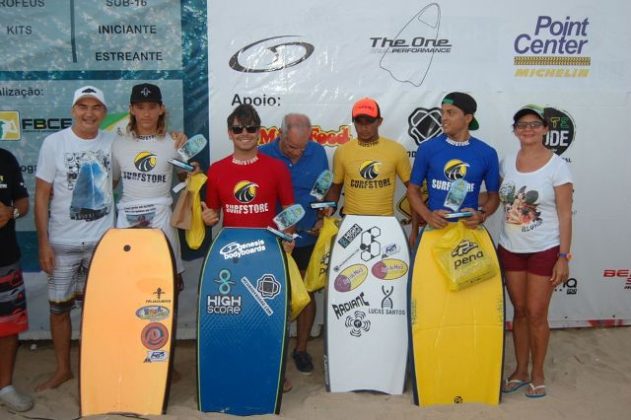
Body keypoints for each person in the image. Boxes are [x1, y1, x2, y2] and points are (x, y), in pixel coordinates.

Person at [201, 103, 295, 391]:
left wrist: (289, 236)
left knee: (271, 314)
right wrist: (207, 217)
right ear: (230, 133)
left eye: (251, 128)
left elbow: (290, 208)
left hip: (268, 252)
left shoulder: (276, 168)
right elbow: (212, 214)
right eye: (238, 128)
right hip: (232, 254)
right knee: (234, 314)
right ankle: (234, 369)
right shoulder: (216, 170)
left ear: (260, 133)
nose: (245, 134)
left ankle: (275, 372)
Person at [34, 86, 115, 391]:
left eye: (96, 107)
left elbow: (120, 176)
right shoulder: (53, 143)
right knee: (59, 310)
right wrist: (43, 242)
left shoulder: (113, 141)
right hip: (62, 243)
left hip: (102, 244)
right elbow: (41, 196)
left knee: (100, 311)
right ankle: (63, 369)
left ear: (104, 113)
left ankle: (95, 368)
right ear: (72, 110)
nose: (89, 113)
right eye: (83, 106)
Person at [498, 105, 573, 398]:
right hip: (510, 247)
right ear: (515, 131)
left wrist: (563, 257)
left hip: (544, 248)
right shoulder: (507, 162)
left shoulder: (558, 166)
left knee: (537, 313)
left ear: (544, 129)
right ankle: (520, 370)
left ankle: (538, 373)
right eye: (521, 125)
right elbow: (499, 198)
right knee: (519, 311)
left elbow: (566, 214)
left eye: (533, 124)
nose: (527, 129)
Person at [259, 113, 329, 375]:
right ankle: (272, 348)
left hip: (307, 235)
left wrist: (322, 215)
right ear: (280, 134)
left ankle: (301, 349)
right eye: (291, 147)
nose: (298, 153)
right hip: (274, 236)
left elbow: (323, 189)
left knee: (306, 292)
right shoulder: (264, 153)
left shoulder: (318, 152)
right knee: (272, 292)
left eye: (303, 147)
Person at [111, 83, 186, 289]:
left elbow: (186, 179)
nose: (146, 113)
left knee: (167, 282)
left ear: (161, 109)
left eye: (152, 107)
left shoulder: (174, 143)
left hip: (162, 218)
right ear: (132, 109)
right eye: (141, 107)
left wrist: (193, 172)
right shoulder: (117, 143)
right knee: (128, 283)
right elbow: (112, 183)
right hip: (127, 219)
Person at [406, 92, 500, 239]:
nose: (443, 118)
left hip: (468, 231)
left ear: (468, 118)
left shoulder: (487, 153)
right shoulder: (427, 148)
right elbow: (412, 190)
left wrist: (482, 214)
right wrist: (428, 216)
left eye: (450, 113)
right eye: (442, 112)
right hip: (435, 230)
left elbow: (494, 196)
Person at [324, 98, 412, 222]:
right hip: (351, 221)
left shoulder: (396, 150)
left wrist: (415, 225)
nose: (364, 127)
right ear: (353, 123)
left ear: (379, 121)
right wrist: (329, 207)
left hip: (385, 221)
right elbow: (336, 187)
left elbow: (413, 189)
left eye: (369, 121)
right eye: (359, 122)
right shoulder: (342, 151)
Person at [0, 148, 32, 412]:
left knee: (8, 327)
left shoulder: (6, 158)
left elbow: (23, 204)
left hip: (5, 257)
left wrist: (11, 213)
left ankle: (5, 387)